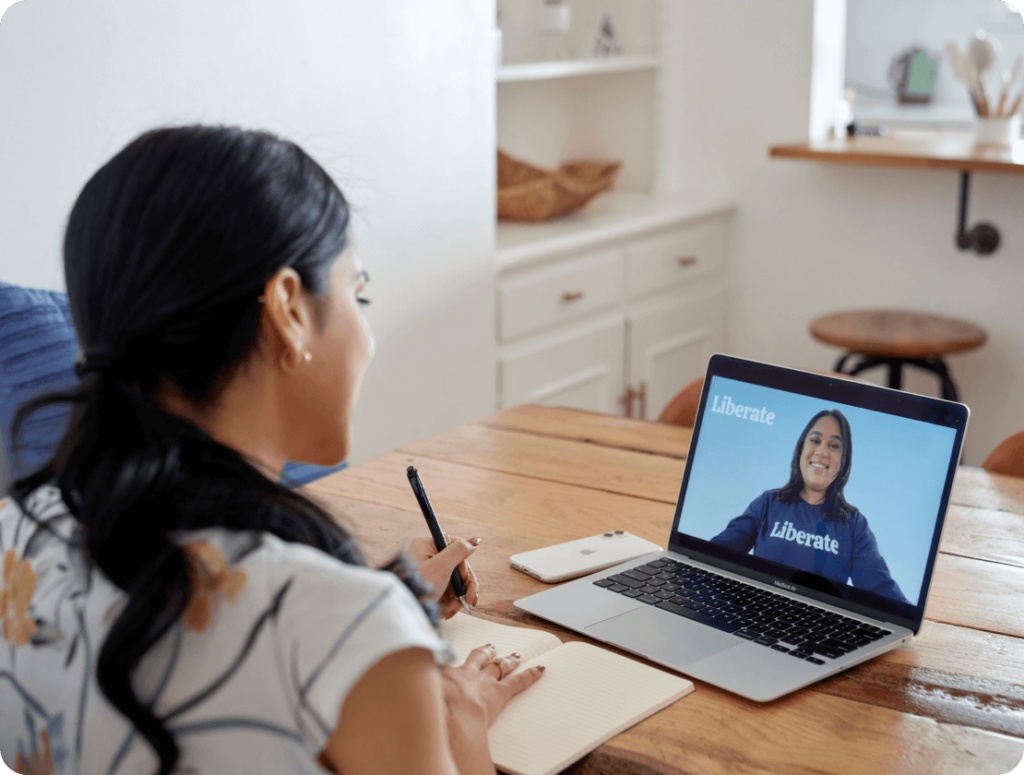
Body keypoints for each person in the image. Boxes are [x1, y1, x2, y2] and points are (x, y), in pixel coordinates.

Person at [0, 126, 543, 775]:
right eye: (356, 292)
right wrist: (461, 725)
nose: (367, 335)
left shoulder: (18, 532)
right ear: (288, 308)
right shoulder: (354, 632)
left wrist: (386, 597)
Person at [710, 409, 909, 604]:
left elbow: (880, 588)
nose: (822, 452)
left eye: (834, 446)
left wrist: (908, 619)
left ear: (843, 462)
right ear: (801, 450)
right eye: (815, 441)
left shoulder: (854, 525)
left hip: (819, 625)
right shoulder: (769, 503)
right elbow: (718, 552)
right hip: (758, 609)